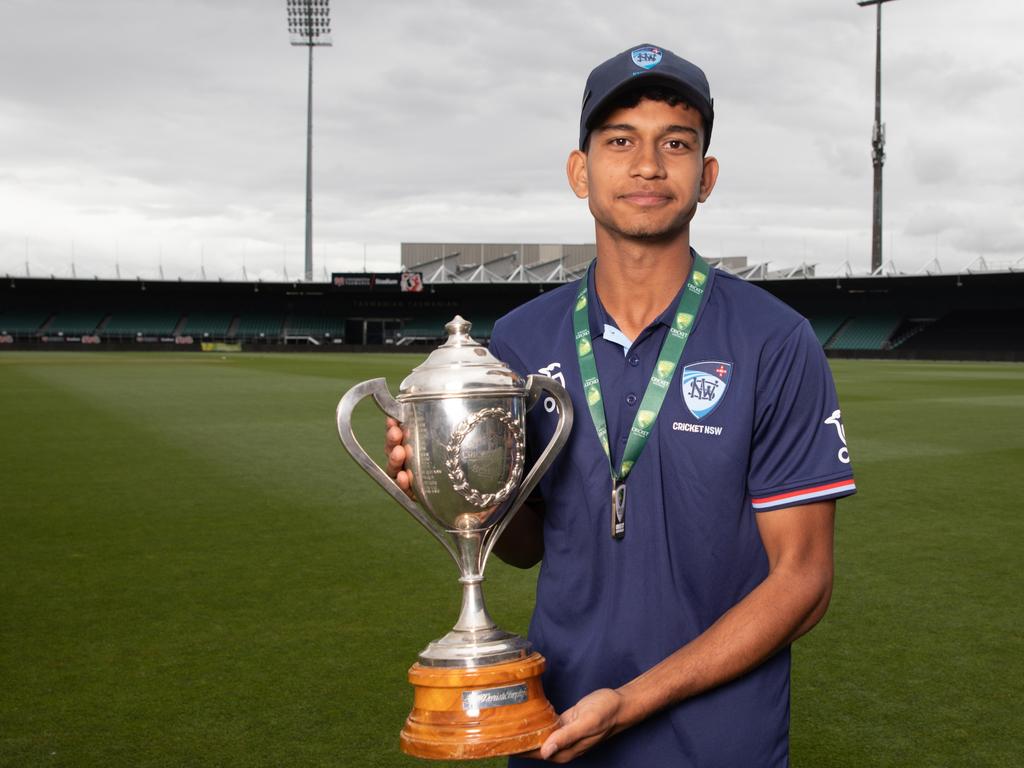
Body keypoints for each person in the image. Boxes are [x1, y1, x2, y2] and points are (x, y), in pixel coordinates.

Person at [387, 43, 856, 766]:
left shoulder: (774, 341)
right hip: (555, 728)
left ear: (708, 175)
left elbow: (804, 580)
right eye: (619, 141)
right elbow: (525, 545)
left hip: (720, 744)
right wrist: (448, 492)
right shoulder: (519, 339)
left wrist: (632, 703)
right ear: (581, 172)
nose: (648, 165)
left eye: (676, 143)